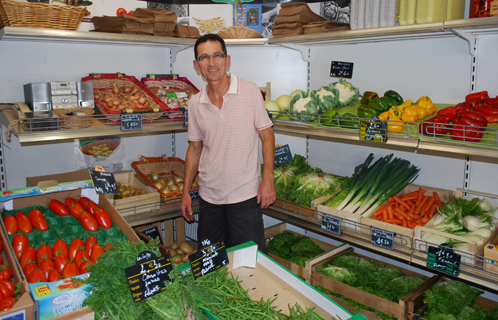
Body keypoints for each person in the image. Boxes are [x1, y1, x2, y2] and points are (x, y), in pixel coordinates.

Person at [180, 33, 276, 254]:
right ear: (197, 65)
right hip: (209, 198)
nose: (211, 63)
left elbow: (267, 136)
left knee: (250, 265)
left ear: (227, 60)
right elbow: (195, 149)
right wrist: (186, 191)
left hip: (244, 196)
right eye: (204, 58)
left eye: (217, 55)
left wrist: (268, 179)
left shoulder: (250, 91)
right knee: (212, 265)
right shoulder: (195, 103)